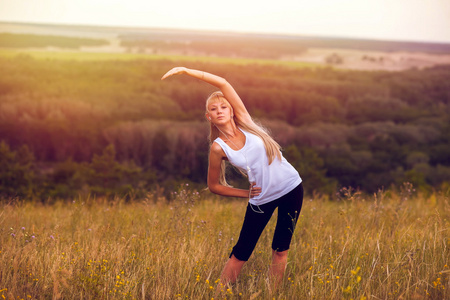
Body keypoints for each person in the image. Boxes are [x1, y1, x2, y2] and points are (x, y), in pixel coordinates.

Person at [161, 67, 303, 290]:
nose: (219, 111)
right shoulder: (218, 148)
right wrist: (245, 194)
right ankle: (218, 293)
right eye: (213, 109)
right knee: (241, 252)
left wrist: (186, 71)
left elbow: (224, 83)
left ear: (231, 110)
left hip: (291, 188)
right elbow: (214, 185)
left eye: (223, 106)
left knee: (281, 249)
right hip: (261, 200)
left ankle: (273, 294)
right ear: (209, 116)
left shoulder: (246, 122)